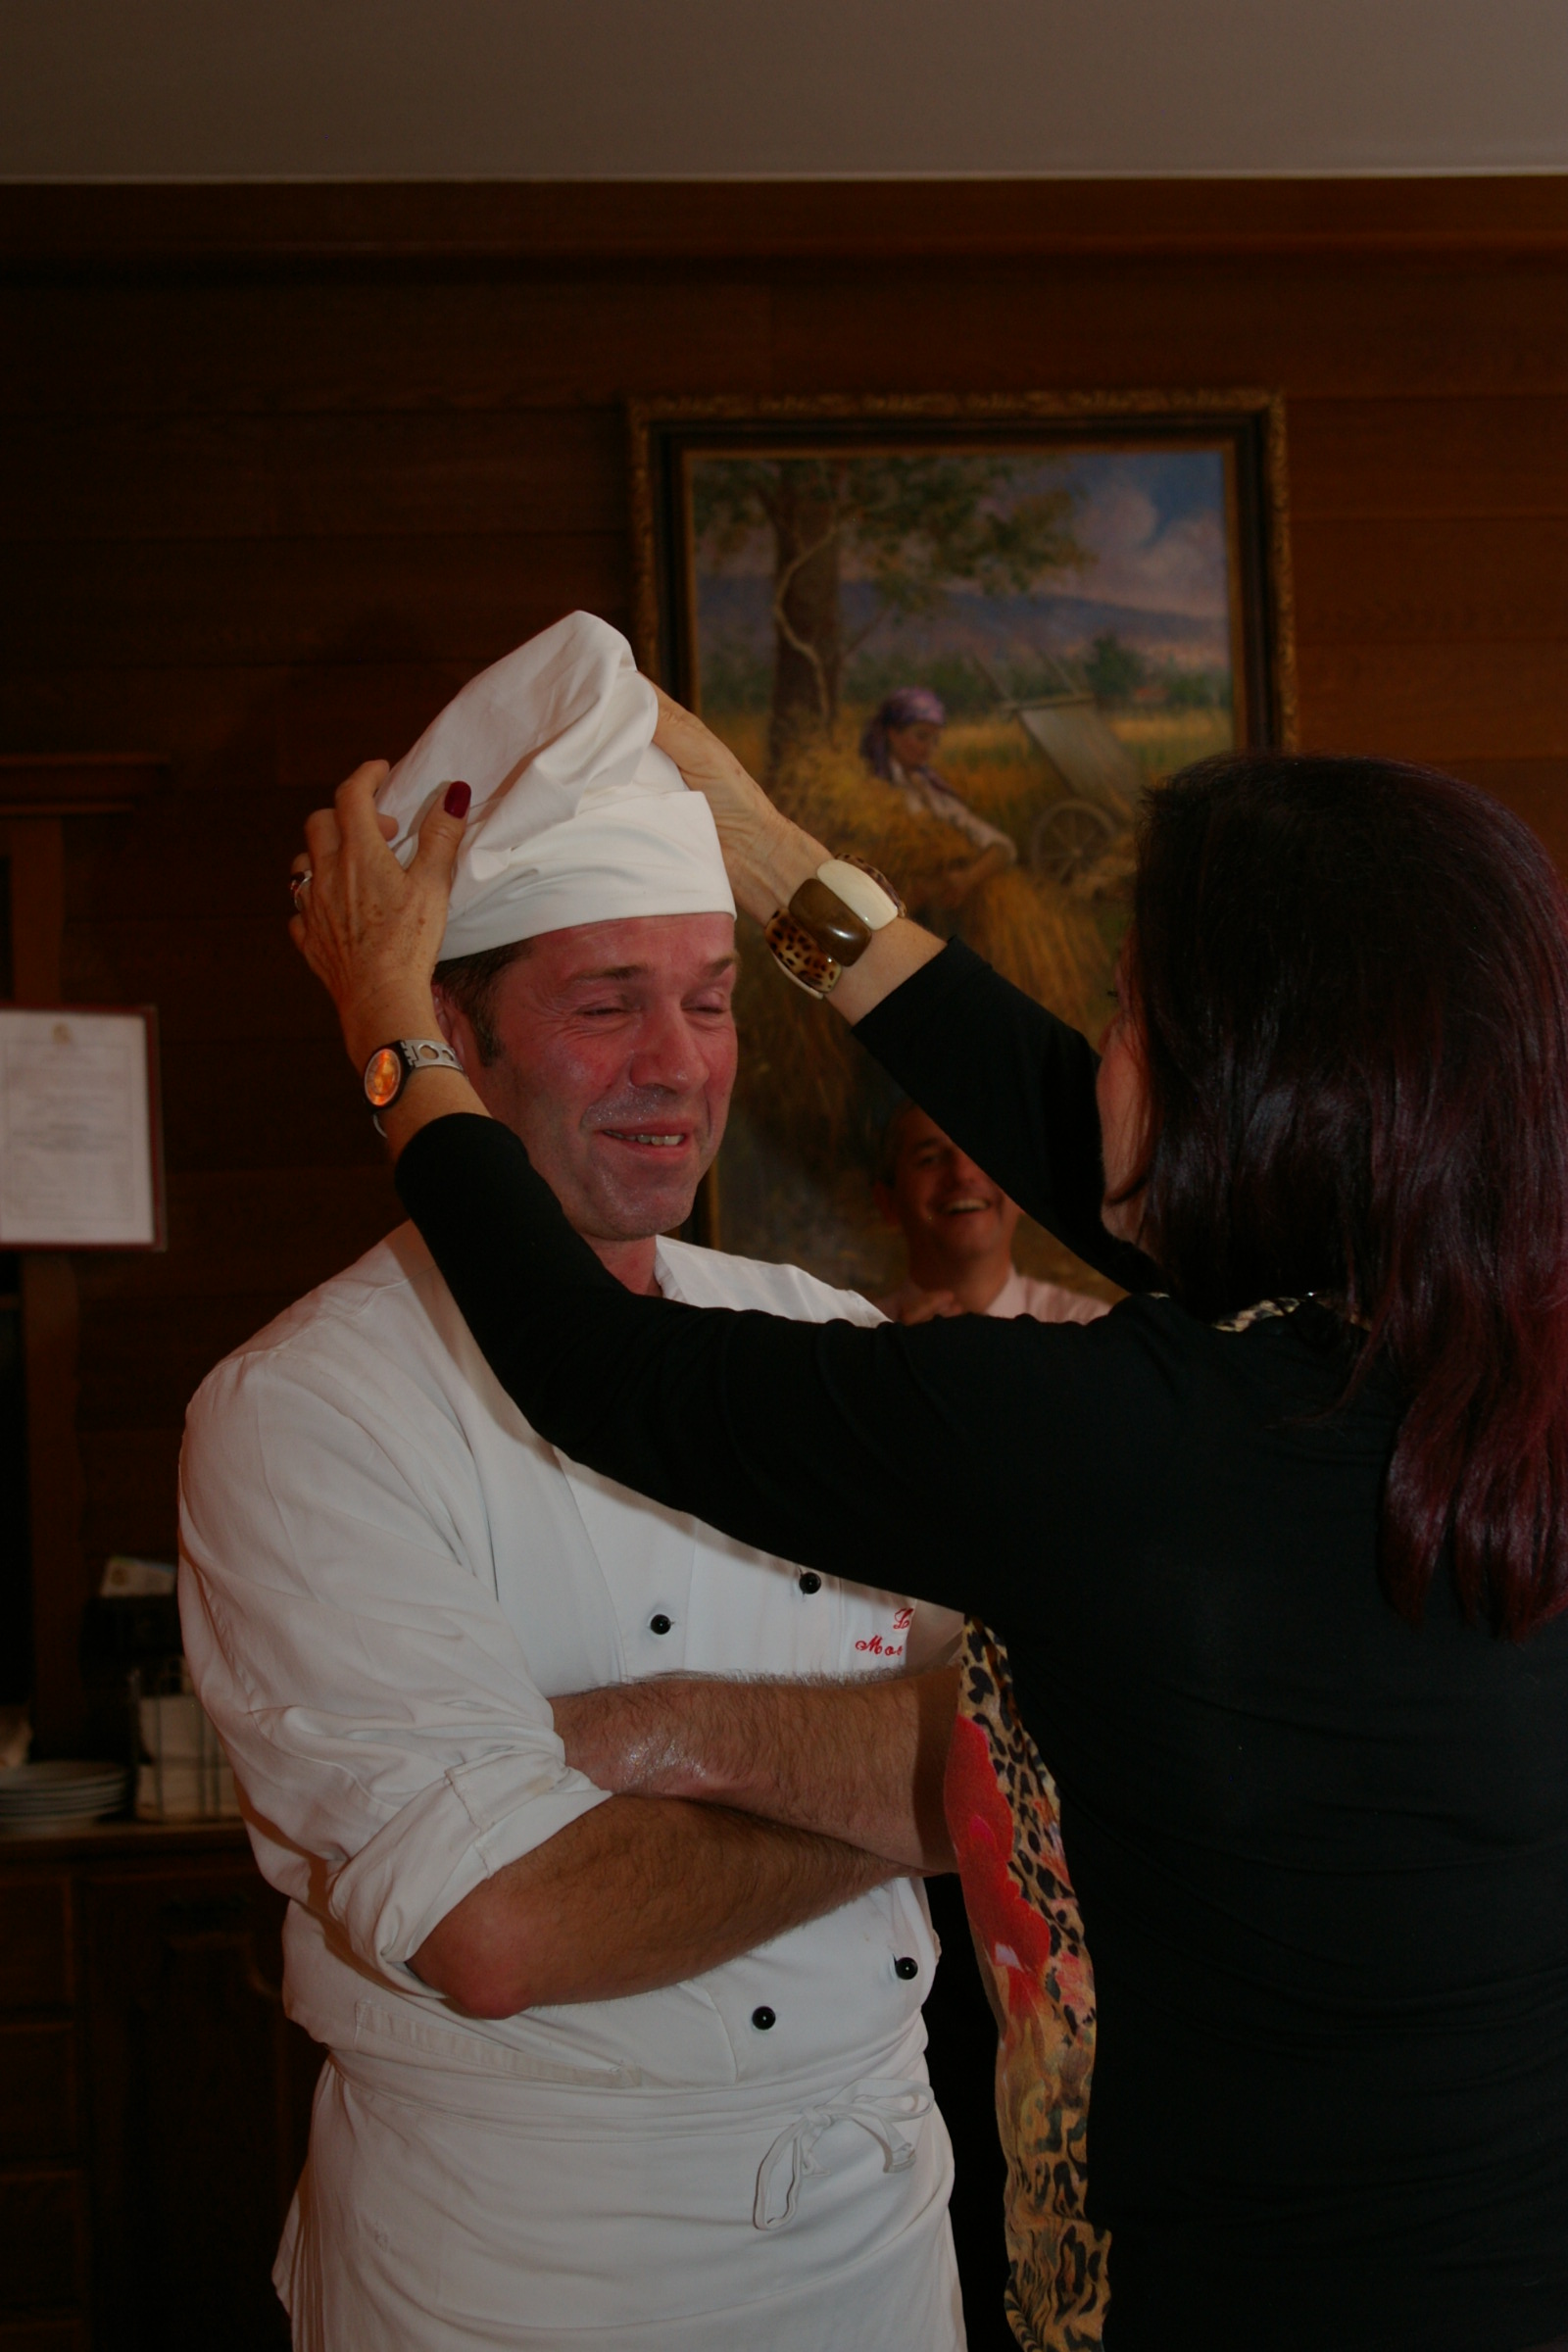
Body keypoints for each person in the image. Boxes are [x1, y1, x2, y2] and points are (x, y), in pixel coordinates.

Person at [290, 701, 1568, 2352]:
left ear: (1257, 1092)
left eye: (1128, 1013)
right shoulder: (1470, 1364)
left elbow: (601, 1370)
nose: (1096, 1058)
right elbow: (1111, 1149)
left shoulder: (1137, 1445)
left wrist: (389, 1026)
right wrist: (774, 863)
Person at [179, 614, 971, 2352]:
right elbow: (504, 1930)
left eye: (710, 1000)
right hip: (526, 2262)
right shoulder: (308, 1413)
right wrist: (925, 1788)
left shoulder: (820, 1334)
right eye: (607, 1005)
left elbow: (1043, 1717)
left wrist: (678, 1731)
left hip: (881, 2225)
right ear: (452, 1036)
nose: (678, 1064)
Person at [871, 1099, 1109, 1327]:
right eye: (930, 1159)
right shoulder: (859, 1338)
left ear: (1025, 1191)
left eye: (985, 1154)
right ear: (888, 1202)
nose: (962, 1174)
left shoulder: (1089, 1333)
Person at [860, 688, 1015, 910]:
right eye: (921, 737)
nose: (928, 749)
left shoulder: (930, 789)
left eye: (935, 741)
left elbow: (1002, 846)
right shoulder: (868, 791)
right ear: (892, 734)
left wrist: (968, 878)